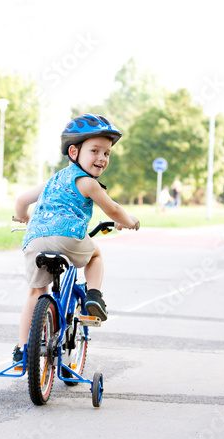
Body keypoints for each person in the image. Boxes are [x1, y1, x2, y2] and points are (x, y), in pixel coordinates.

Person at [12, 113, 140, 364]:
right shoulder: (87, 183)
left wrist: (23, 217)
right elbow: (113, 210)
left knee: (36, 292)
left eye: (107, 153)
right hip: (68, 238)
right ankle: (94, 296)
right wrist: (130, 221)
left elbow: (21, 201)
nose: (102, 158)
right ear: (74, 151)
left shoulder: (53, 181)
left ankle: (22, 349)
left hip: (34, 240)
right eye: (95, 150)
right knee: (95, 254)